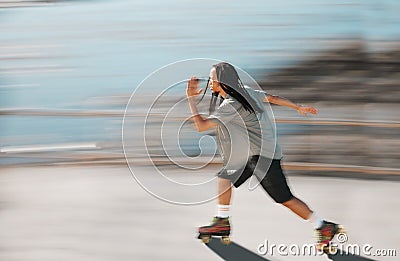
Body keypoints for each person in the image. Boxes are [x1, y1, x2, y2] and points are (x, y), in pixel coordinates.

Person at [186, 62, 344, 250]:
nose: (210, 82)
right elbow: (272, 98)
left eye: (213, 79)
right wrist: (297, 107)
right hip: (252, 153)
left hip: (263, 157)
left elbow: (201, 126)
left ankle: (323, 227)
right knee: (225, 176)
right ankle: (222, 220)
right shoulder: (244, 91)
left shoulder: (231, 104)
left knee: (284, 198)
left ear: (223, 82)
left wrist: (191, 99)